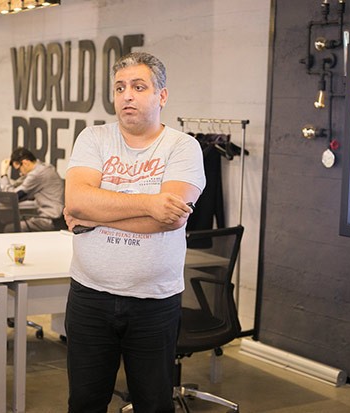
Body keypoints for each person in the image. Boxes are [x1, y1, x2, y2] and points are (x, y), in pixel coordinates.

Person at [63, 52, 206, 412]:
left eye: (139, 87)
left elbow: (169, 219)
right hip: (90, 297)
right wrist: (149, 204)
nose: (127, 95)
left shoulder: (183, 147)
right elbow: (76, 201)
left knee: (153, 404)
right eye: (120, 88)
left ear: (162, 95)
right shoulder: (93, 138)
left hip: (154, 302)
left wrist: (95, 216)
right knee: (84, 402)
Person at [0, 147, 64, 232]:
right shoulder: (44, 168)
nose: (20, 173)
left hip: (48, 220)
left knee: (9, 228)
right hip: (57, 219)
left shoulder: (36, 174)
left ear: (25, 163)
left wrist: (3, 174)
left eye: (19, 169)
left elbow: (10, 198)